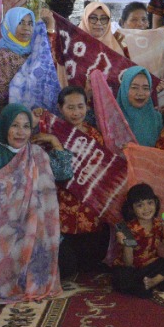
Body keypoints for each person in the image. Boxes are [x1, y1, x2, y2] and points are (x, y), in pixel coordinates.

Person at [54, 85, 112, 276]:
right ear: (60, 108)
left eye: (80, 106)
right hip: (66, 200)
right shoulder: (54, 134)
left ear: (87, 107)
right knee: (68, 265)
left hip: (90, 198)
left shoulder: (94, 134)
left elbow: (102, 166)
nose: (76, 112)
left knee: (93, 255)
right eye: (70, 107)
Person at [112, 184, 164, 298]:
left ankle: (156, 280)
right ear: (132, 208)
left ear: (155, 203)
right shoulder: (126, 228)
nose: (146, 209)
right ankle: (153, 283)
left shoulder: (159, 224)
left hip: (152, 266)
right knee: (121, 278)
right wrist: (125, 244)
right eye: (140, 205)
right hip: (133, 270)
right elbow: (128, 263)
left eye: (150, 203)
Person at [0, 6, 63, 115]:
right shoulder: (3, 54)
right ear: (10, 24)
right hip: (12, 114)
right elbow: (0, 95)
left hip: (39, 112)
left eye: (30, 23)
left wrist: (50, 26)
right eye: (20, 23)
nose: (26, 28)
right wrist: (28, 90)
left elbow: (50, 64)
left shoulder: (35, 48)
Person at [0, 103, 71, 177]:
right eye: (15, 125)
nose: (21, 132)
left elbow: (63, 173)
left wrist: (54, 140)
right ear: (4, 127)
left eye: (26, 126)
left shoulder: (33, 153)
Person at [116, 66, 164, 148]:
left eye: (145, 88)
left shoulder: (156, 118)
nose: (140, 93)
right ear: (124, 89)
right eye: (134, 88)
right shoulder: (112, 118)